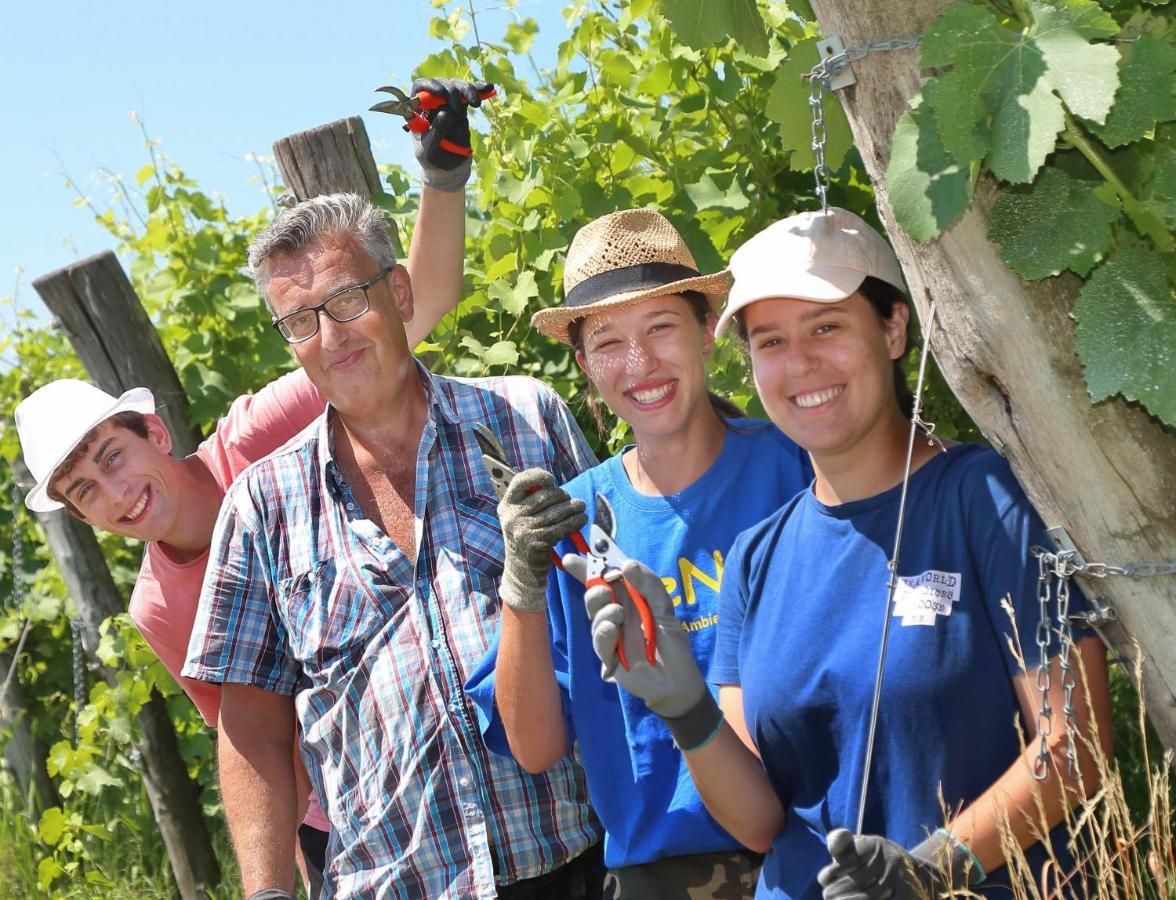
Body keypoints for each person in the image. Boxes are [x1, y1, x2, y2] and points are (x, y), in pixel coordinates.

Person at [13, 77, 484, 897]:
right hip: (348, 826)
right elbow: (256, 744)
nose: (113, 493)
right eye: (84, 491)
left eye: (112, 458)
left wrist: (441, 179)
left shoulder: (257, 436)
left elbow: (421, 305)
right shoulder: (157, 608)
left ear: (154, 433)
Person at [568, 207, 1113, 898]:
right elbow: (760, 823)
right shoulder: (755, 557)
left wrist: (934, 867)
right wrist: (685, 709)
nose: (800, 364)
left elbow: (1077, 746)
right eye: (770, 341)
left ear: (892, 329)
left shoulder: (980, 497)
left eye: (826, 327)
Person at [182, 191, 604, 900]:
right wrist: (266, 892)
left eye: (348, 300)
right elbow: (251, 723)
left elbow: (603, 609)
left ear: (400, 291)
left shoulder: (526, 418)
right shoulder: (262, 507)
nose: (331, 337)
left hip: (579, 859)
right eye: (299, 321)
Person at [466, 208, 811, 898]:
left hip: (817, 851)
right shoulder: (569, 522)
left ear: (706, 330)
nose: (640, 364)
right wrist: (522, 587)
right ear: (583, 363)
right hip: (658, 876)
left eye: (661, 327)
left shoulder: (798, 470)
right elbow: (534, 748)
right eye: (608, 342)